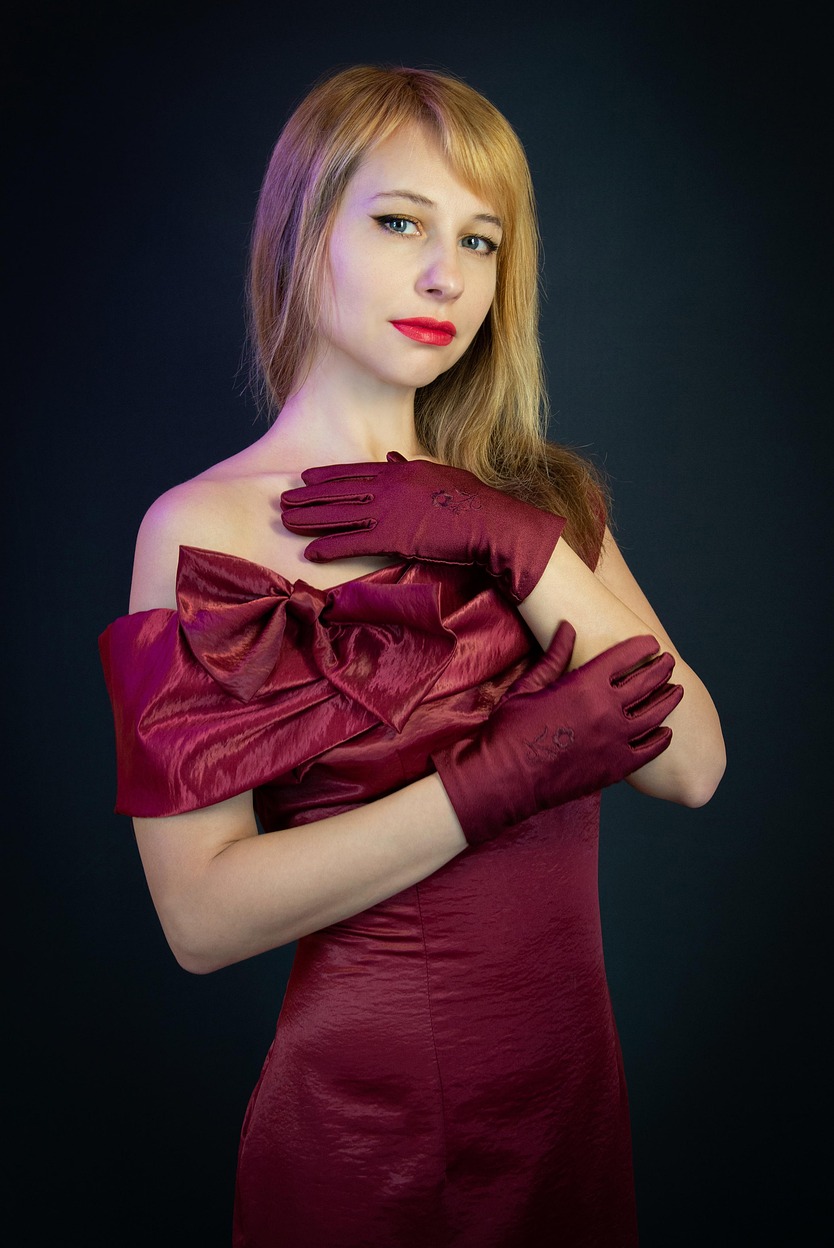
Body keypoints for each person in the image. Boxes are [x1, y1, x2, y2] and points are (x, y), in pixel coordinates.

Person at [99, 65, 726, 1247]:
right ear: (301, 235)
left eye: (482, 240)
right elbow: (202, 918)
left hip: (570, 1111)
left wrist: (515, 540)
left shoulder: (544, 503)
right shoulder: (197, 531)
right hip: (361, 1134)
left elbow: (693, 762)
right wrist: (495, 778)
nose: (449, 275)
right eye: (401, 223)